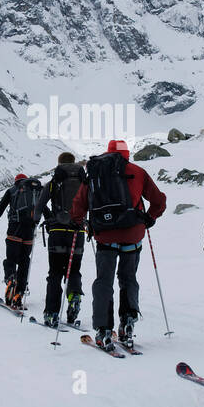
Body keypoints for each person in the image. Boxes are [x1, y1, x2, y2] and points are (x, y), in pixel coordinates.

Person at [71, 140, 166, 351]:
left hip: (104, 236)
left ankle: (103, 330)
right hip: (132, 234)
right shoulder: (138, 171)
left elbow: (78, 205)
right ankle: (128, 325)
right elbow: (159, 201)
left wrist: (80, 222)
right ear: (127, 154)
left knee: (104, 281)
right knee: (128, 278)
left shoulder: (95, 173)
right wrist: (149, 218)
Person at [35, 152, 88, 327]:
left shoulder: (54, 182)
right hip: (77, 232)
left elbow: (40, 205)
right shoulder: (84, 182)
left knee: (55, 273)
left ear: (59, 164)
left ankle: (51, 313)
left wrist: (41, 219)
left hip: (57, 230)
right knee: (73, 270)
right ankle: (74, 297)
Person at [0, 173, 42, 310]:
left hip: (14, 229)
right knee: (24, 261)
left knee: (10, 259)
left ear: (16, 181)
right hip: (29, 230)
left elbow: (1, 207)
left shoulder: (12, 191)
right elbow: (43, 208)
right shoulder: (35, 191)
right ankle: (19, 293)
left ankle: (11, 279)